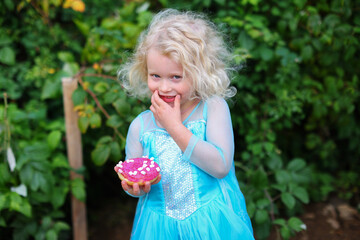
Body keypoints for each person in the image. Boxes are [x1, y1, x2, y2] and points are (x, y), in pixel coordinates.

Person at [117, 8, 254, 240]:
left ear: (199, 73)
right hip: (158, 228)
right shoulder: (140, 127)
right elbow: (139, 184)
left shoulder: (213, 108)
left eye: (176, 77)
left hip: (211, 224)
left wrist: (173, 126)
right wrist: (133, 188)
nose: (164, 87)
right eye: (155, 76)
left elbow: (220, 166)